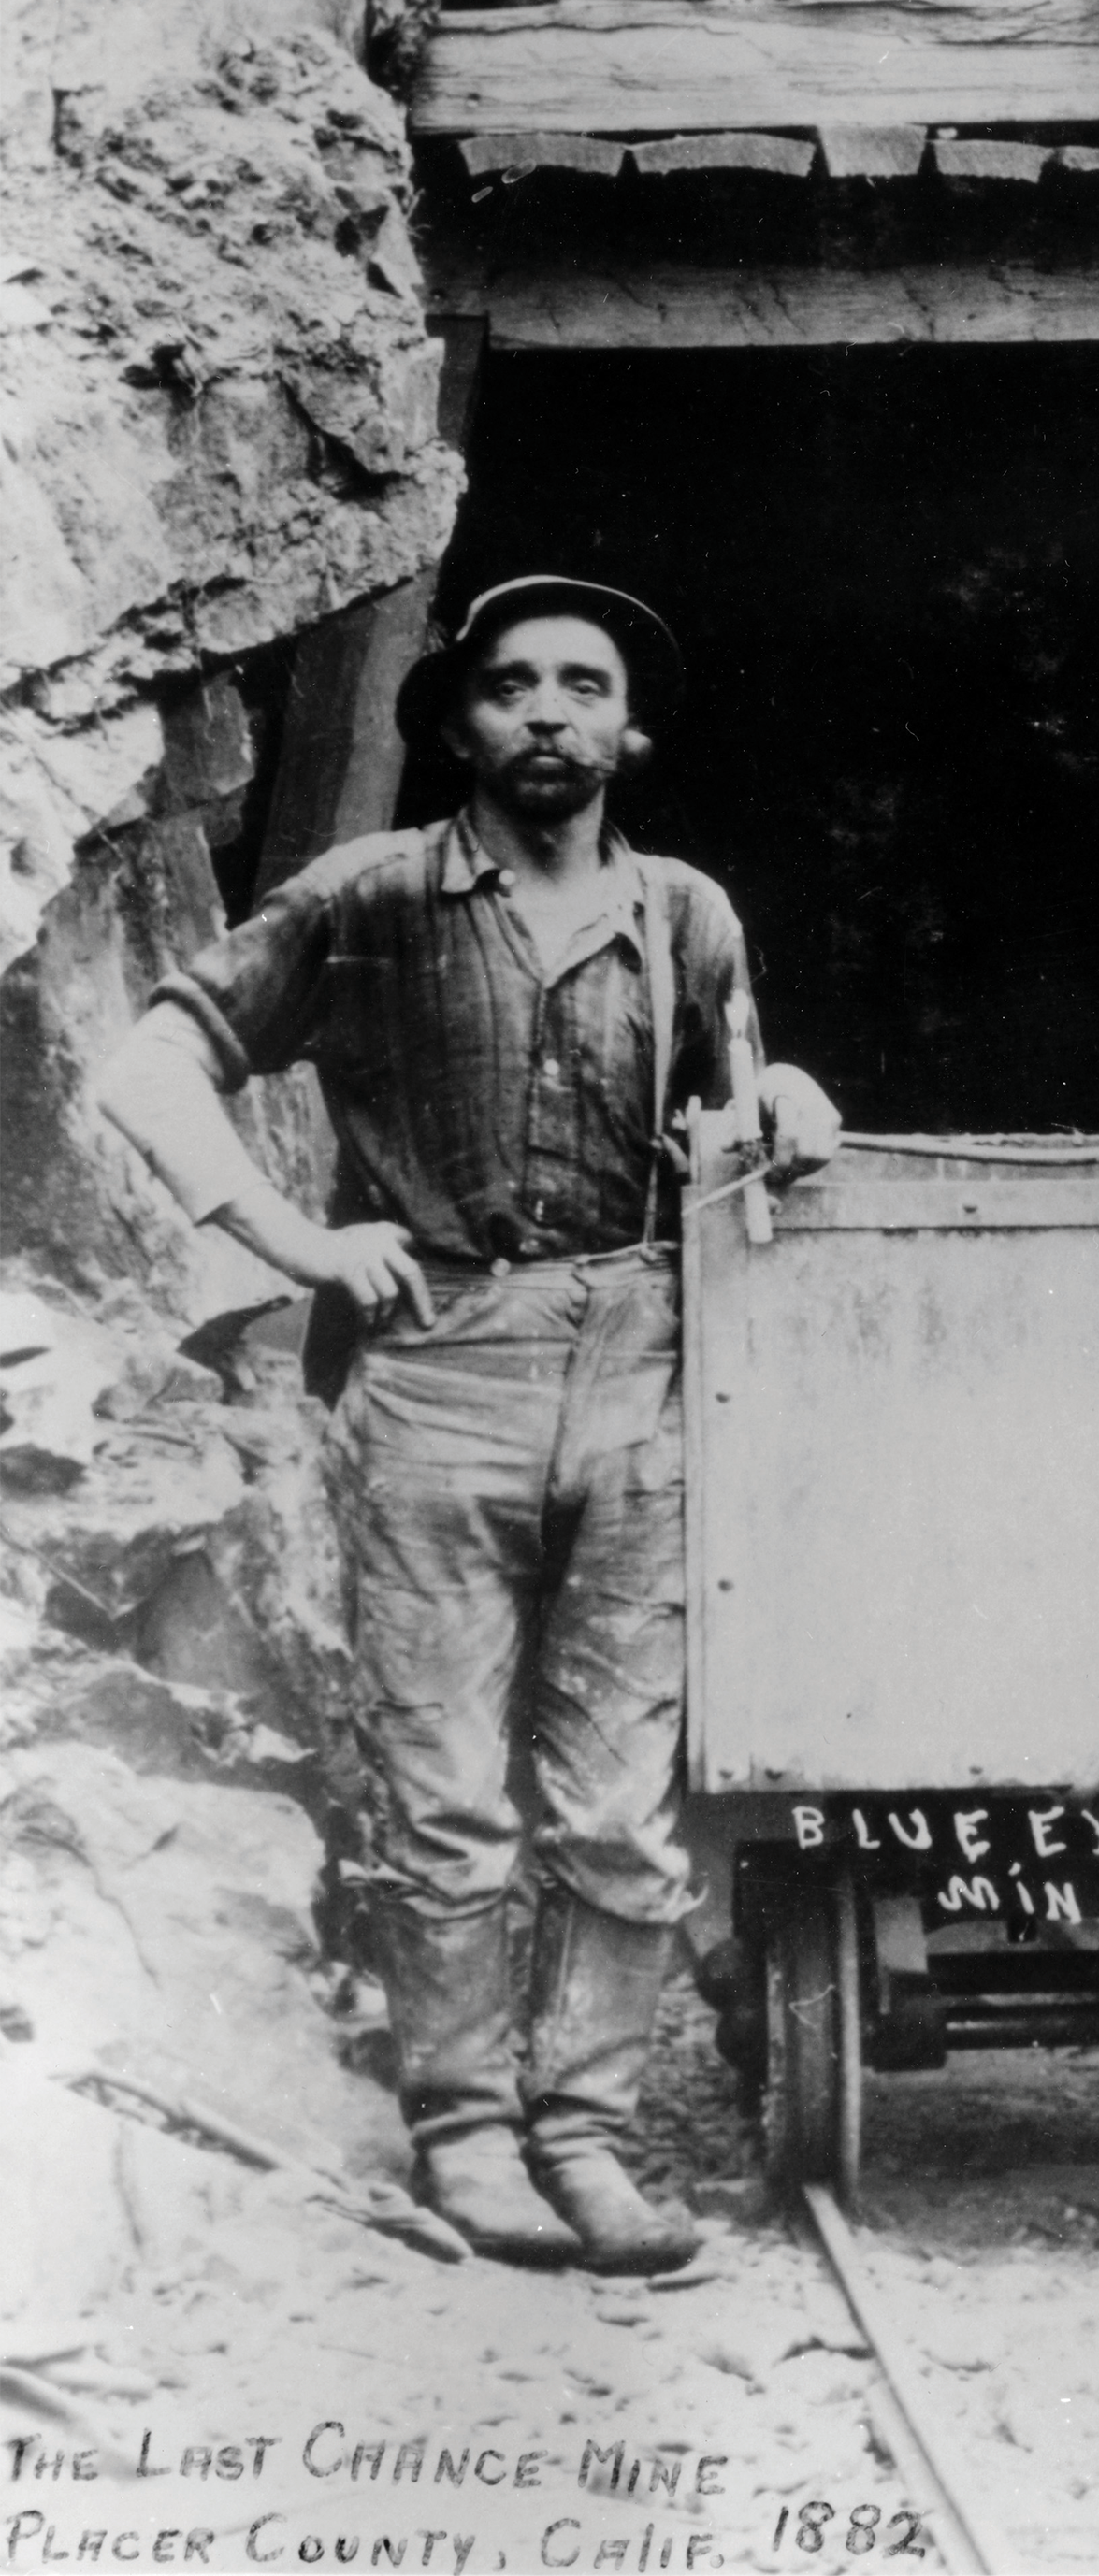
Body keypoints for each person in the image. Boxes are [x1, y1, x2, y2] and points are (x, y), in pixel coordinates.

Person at [97, 576, 840, 2273]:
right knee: (446, 1793)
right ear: (456, 725)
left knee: (618, 1805)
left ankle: (586, 2133)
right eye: (511, 686)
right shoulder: (370, 897)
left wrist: (784, 1100)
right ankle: (463, 2132)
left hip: (645, 1361)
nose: (550, 712)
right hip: (439, 1364)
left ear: (631, 728)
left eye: (587, 684)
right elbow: (150, 1063)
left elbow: (732, 1117)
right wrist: (289, 1239)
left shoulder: (687, 913)